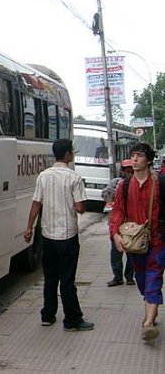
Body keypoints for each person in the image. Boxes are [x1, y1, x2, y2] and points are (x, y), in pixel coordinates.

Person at [24, 138, 93, 331]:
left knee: (50, 277)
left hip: (48, 235)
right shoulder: (73, 178)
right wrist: (77, 205)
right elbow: (80, 208)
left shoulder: (44, 176)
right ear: (67, 155)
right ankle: (72, 320)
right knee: (67, 279)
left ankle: (48, 315)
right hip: (68, 236)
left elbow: (36, 203)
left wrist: (29, 228)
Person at [109, 142, 165, 341]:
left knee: (154, 279)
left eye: (139, 155)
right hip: (134, 243)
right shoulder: (123, 186)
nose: (134, 159)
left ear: (148, 160)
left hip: (158, 241)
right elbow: (117, 213)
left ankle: (149, 322)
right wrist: (115, 235)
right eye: (132, 155)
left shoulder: (161, 183)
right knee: (141, 280)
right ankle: (152, 309)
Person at [102, 159, 135, 287]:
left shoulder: (138, 184)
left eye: (131, 171)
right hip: (117, 221)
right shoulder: (115, 183)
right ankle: (117, 276)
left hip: (132, 224)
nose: (129, 173)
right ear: (122, 171)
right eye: (127, 171)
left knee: (132, 251)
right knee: (116, 252)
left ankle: (129, 276)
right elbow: (106, 195)